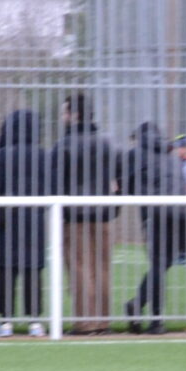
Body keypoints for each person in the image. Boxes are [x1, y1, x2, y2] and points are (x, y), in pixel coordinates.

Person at [50, 92, 121, 334]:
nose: (63, 117)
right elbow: (119, 178)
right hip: (103, 216)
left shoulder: (63, 145)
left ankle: (84, 322)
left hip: (74, 217)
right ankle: (103, 321)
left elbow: (55, 183)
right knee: (102, 268)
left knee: (79, 269)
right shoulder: (107, 143)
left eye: (65, 112)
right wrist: (114, 208)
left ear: (75, 115)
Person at [0, 108, 48, 337]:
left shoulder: (4, 155)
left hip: (6, 221)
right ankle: (35, 322)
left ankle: (5, 322)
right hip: (34, 222)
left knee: (4, 271)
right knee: (33, 271)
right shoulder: (43, 155)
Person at [122, 121, 186, 334]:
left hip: (156, 213)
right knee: (162, 265)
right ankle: (143, 309)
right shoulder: (172, 154)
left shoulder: (136, 154)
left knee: (158, 265)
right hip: (180, 213)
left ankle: (151, 316)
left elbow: (126, 186)